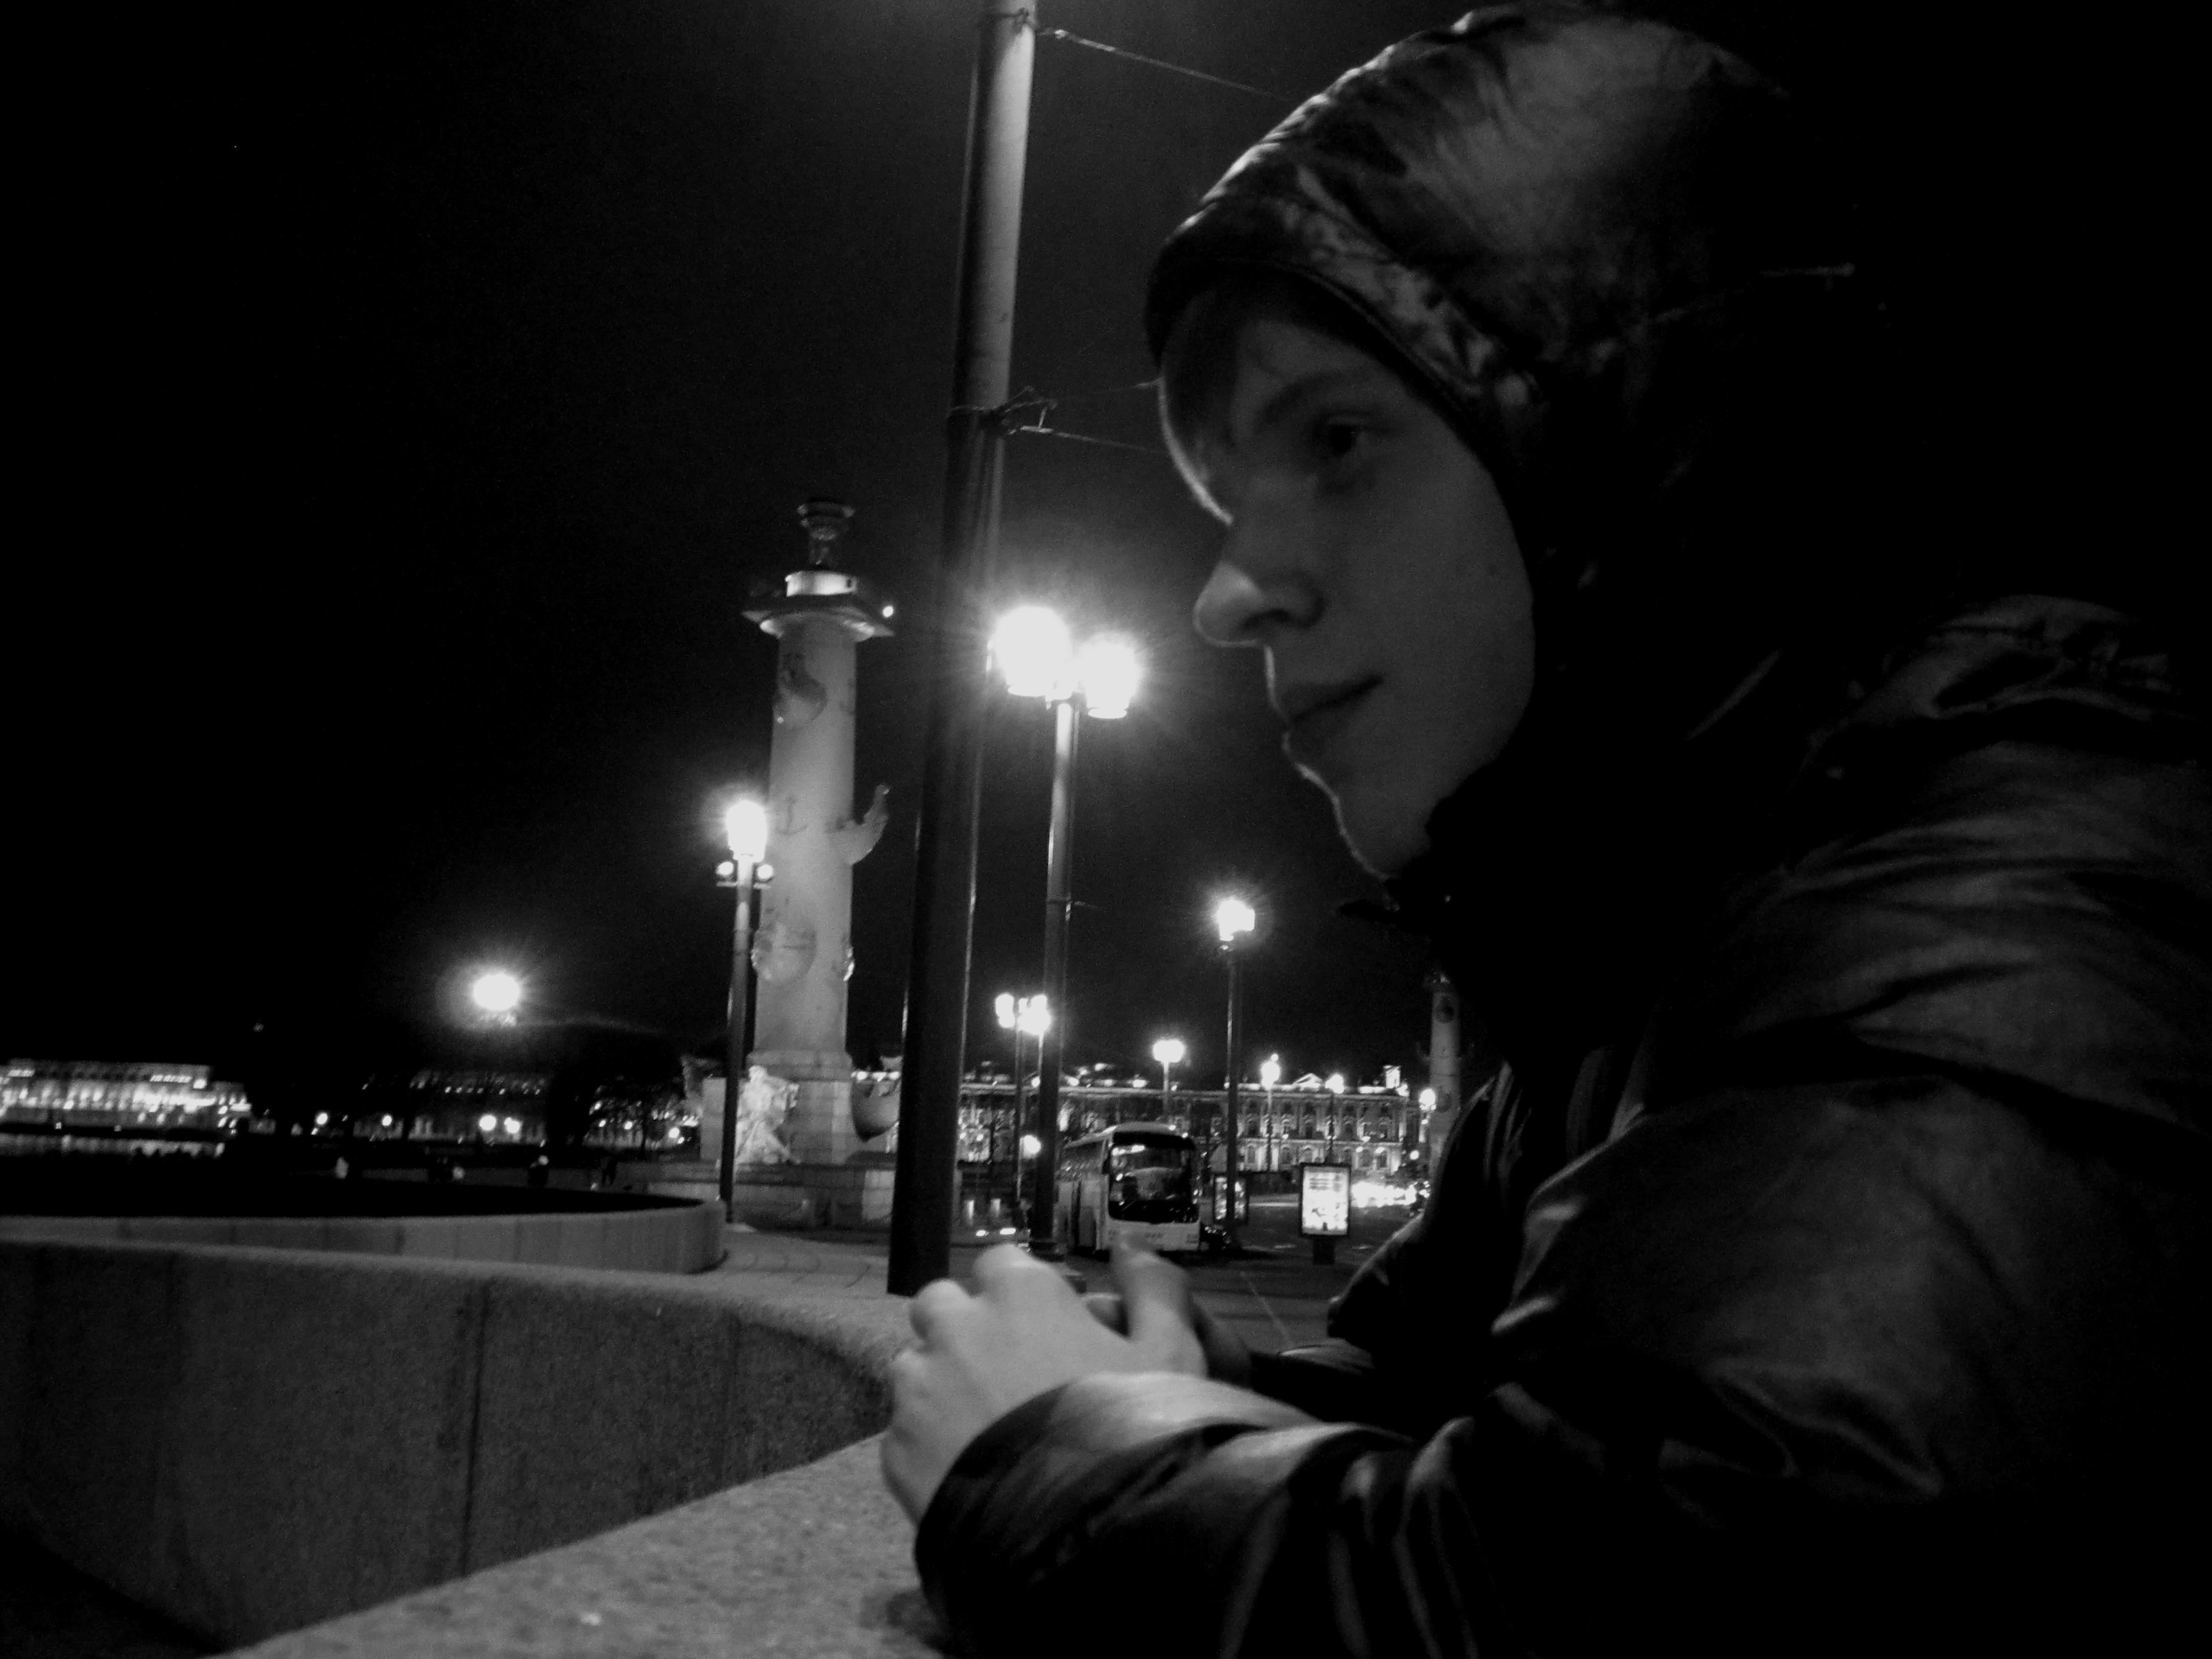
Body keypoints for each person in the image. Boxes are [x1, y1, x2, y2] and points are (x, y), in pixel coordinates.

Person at [882, 6, 2209, 1654]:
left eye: (1339, 444)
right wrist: (1205, 1392)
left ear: (1644, 452)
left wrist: (1051, 1458)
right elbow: (1509, 1413)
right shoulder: (1646, 939)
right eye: (1229, 502)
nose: (1228, 595)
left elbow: (1662, 1580)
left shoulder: (2008, 902)